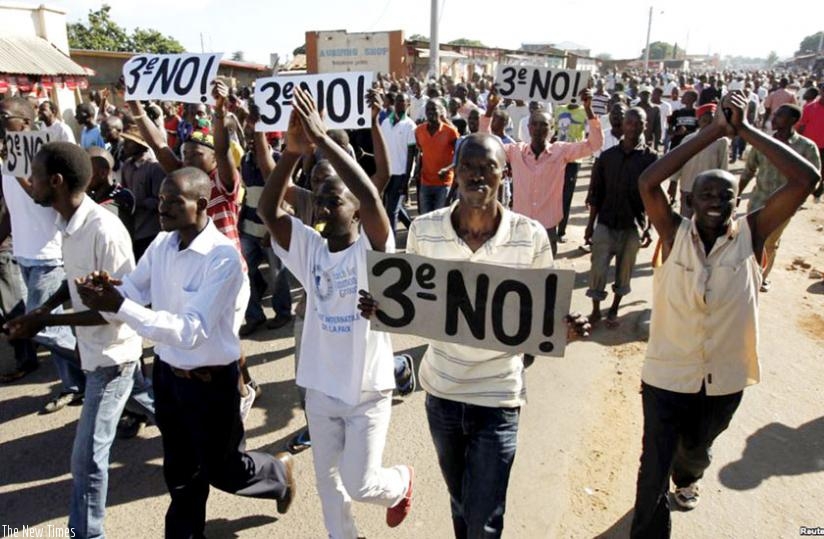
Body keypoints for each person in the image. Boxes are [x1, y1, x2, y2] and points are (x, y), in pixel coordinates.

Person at [631, 91, 820, 538]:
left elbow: (806, 179)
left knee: (694, 451)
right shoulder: (673, 232)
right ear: (692, 201)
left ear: (739, 202)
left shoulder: (752, 234)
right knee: (651, 464)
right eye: (706, 194)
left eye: (726, 195)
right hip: (667, 373)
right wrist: (714, 130)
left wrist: (748, 130)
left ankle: (690, 475)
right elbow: (648, 182)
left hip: (723, 378)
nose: (716, 201)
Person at [76, 166, 296, 538]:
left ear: (202, 203)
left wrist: (119, 304)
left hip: (212, 384)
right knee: (180, 472)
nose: (162, 208)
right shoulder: (162, 244)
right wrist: (105, 294)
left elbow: (190, 331)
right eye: (161, 200)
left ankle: (277, 473)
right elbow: (132, 292)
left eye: (173, 202)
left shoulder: (223, 258)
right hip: (168, 377)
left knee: (223, 470)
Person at [360, 133, 555, 538]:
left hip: (498, 398)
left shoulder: (532, 236)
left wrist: (551, 332)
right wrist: (385, 308)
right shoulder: (424, 229)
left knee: (484, 519)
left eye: (488, 168)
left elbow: (542, 319)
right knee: (463, 501)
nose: (477, 175)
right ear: (455, 171)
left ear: (505, 174)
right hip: (443, 395)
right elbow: (411, 303)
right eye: (468, 166)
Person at [258, 86, 413, 539]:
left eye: (335, 201)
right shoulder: (310, 246)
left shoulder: (375, 247)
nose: (324, 207)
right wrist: (290, 152)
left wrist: (324, 140)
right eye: (320, 200)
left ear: (357, 211)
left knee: (361, 483)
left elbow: (373, 193)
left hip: (367, 389)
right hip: (321, 387)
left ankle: (401, 482)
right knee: (329, 484)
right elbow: (269, 210)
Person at [4, 142, 145, 538]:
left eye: (33, 174)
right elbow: (74, 283)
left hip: (113, 355)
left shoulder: (105, 230)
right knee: (164, 410)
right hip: (92, 349)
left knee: (86, 460)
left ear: (57, 181)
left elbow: (115, 309)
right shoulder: (67, 223)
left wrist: (44, 321)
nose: (28, 181)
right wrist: (40, 312)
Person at [0, 96, 85, 408]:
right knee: (53, 324)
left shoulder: (46, 160)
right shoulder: (6, 162)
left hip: (49, 255)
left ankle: (94, 369)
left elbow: (42, 198)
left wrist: (18, 169)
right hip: (23, 254)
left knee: (41, 326)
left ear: (25, 122)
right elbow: (10, 210)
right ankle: (75, 384)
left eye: (4, 115)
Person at [504, 89, 603, 255]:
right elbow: (487, 146)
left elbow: (595, 144)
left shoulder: (561, 151)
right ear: (528, 128)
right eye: (534, 124)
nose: (538, 128)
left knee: (545, 276)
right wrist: (490, 109)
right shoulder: (515, 152)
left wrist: (588, 109)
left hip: (547, 230)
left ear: (551, 129)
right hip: (520, 228)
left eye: (544, 125)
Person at [585, 107, 656, 328]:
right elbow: (596, 193)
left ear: (645, 126)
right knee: (598, 268)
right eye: (630, 123)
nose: (633, 127)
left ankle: (614, 308)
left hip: (632, 225)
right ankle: (595, 310)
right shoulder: (607, 157)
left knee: (624, 271)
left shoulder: (651, 158)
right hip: (605, 222)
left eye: (639, 123)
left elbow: (654, 196)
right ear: (622, 125)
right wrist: (590, 226)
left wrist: (650, 227)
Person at [739, 104, 821, 291]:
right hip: (758, 201)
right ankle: (746, 275)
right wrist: (737, 194)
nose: (773, 119)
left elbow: (813, 178)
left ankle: (761, 276)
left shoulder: (806, 147)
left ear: (793, 121)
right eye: (774, 115)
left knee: (769, 242)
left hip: (784, 206)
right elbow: (749, 170)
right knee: (749, 239)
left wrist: (797, 201)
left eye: (779, 116)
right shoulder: (763, 143)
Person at [667, 103, 729, 218]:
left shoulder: (721, 141)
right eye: (705, 120)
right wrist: (673, 182)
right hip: (688, 188)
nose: (707, 124)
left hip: (710, 191)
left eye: (711, 121)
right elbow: (679, 162)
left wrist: (723, 190)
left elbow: (723, 168)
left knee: (706, 221)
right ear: (699, 120)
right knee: (686, 221)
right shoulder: (688, 139)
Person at [379, 92, 416, 235]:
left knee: (391, 210)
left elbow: (412, 153)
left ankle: (391, 243)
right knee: (393, 207)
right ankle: (413, 229)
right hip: (386, 172)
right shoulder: (385, 122)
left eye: (403, 101)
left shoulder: (410, 126)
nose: (400, 103)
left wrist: (407, 179)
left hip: (400, 174)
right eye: (398, 101)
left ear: (408, 105)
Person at [414, 100, 460, 215]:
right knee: (425, 218)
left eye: (433, 109)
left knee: (440, 218)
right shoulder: (419, 131)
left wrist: (448, 168)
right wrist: (417, 169)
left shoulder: (451, 132)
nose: (430, 112)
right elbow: (420, 152)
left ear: (441, 111)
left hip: (444, 183)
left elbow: (459, 155)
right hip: (425, 183)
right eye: (428, 110)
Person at [797, 84, 824, 201]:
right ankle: (802, 193)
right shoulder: (809, 107)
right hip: (808, 145)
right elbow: (801, 126)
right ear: (821, 92)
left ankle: (819, 189)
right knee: (805, 170)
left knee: (822, 171)